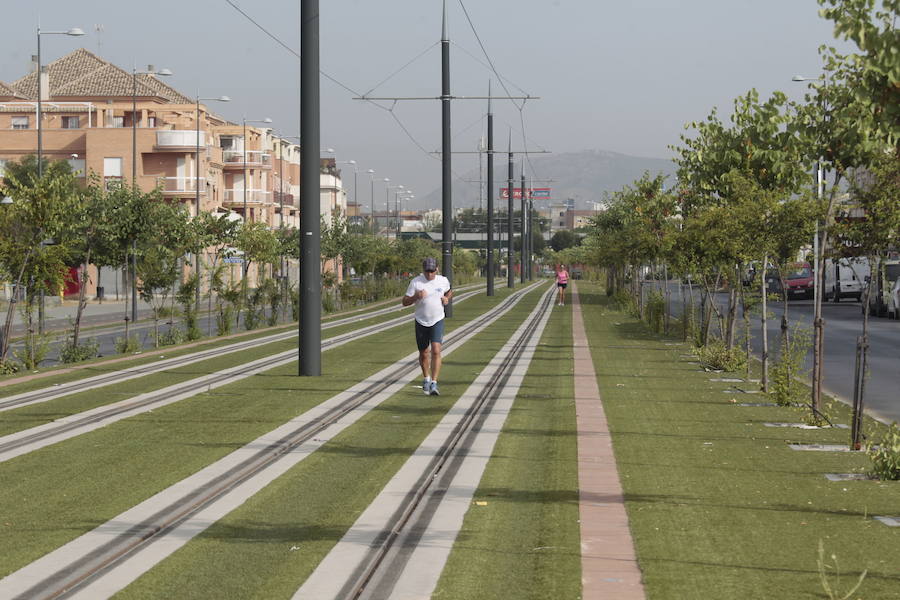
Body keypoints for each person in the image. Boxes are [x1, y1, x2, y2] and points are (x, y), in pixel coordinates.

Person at [402, 257, 453, 396]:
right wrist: (415, 297)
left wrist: (447, 298)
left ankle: (434, 383)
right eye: (427, 271)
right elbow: (404, 302)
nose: (429, 274)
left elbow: (449, 291)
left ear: (436, 269)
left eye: (432, 271)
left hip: (437, 319)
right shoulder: (416, 282)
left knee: (436, 350)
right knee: (424, 352)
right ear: (423, 270)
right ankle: (426, 378)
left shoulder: (443, 280)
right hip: (421, 321)